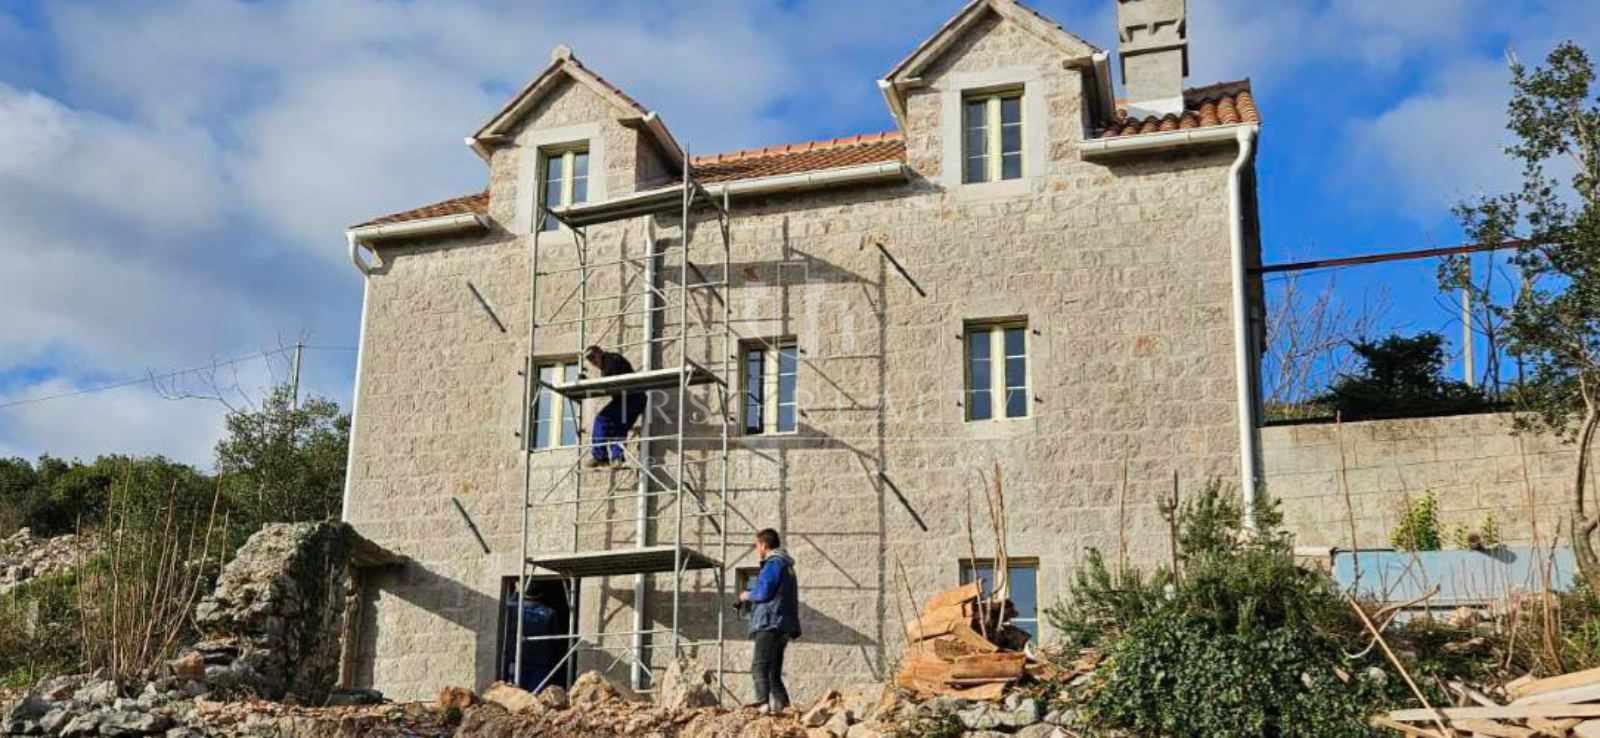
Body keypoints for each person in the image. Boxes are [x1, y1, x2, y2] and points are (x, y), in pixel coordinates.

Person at [738, 528, 801, 713]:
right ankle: (785, 708)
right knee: (773, 672)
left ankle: (762, 704)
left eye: (757, 545)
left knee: (759, 666)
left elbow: (764, 593)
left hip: (770, 622)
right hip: (784, 625)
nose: (757, 549)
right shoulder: (787, 567)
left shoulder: (773, 564)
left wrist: (747, 595)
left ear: (764, 545)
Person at [583, 345, 647, 468]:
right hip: (634, 400)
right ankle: (617, 458)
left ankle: (600, 456)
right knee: (618, 428)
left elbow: (609, 378)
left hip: (630, 398)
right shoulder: (609, 363)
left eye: (593, 357)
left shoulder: (611, 359)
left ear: (600, 352)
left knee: (601, 420)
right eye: (590, 360)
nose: (593, 361)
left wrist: (589, 383)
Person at [504, 587, 559, 691]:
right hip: (540, 661)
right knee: (536, 695)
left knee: (515, 694)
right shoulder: (549, 612)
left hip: (516, 659)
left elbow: (507, 604)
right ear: (540, 595)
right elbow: (555, 640)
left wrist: (516, 590)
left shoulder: (514, 609)